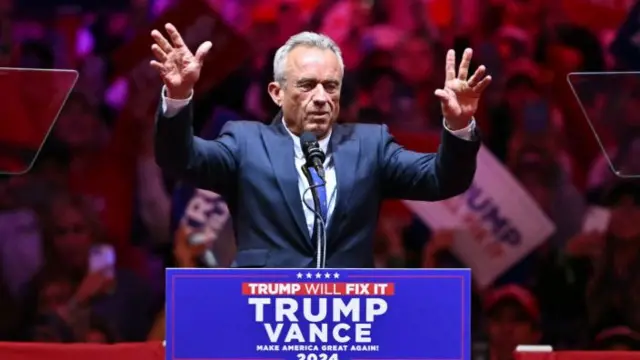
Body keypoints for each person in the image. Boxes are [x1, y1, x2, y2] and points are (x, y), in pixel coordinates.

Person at [150, 24, 491, 268]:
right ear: (276, 93)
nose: (321, 98)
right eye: (307, 85)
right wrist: (178, 98)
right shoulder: (245, 142)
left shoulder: (369, 145)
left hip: (347, 324)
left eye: (331, 86)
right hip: (263, 323)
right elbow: (181, 159)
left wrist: (459, 124)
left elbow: (443, 179)